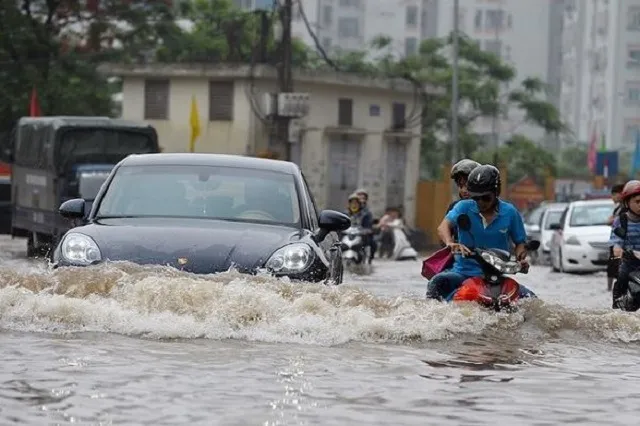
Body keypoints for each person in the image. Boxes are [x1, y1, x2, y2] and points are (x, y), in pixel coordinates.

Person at [426, 164, 535, 301]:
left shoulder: (510, 212)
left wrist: (520, 259)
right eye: (476, 198)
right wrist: (450, 243)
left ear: (496, 192)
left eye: (485, 198)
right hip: (463, 273)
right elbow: (443, 227)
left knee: (532, 300)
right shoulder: (463, 207)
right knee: (437, 282)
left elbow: (520, 243)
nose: (480, 202)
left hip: (497, 275)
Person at [610, 180, 640, 311]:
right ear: (627, 203)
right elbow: (616, 243)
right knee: (622, 277)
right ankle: (617, 305)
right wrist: (621, 250)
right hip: (629, 262)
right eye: (638, 202)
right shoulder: (621, 221)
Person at [606, 184, 625, 291]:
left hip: (620, 243)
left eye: (614, 194)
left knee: (619, 266)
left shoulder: (626, 208)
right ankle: (609, 290)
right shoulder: (618, 208)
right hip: (614, 241)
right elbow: (611, 221)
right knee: (611, 266)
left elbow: (617, 222)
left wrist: (612, 221)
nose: (612, 197)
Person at [355, 188, 376, 262]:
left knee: (373, 243)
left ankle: (369, 260)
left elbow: (369, 225)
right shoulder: (350, 209)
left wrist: (367, 230)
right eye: (359, 197)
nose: (361, 199)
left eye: (363, 198)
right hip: (351, 233)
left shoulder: (367, 212)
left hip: (363, 234)